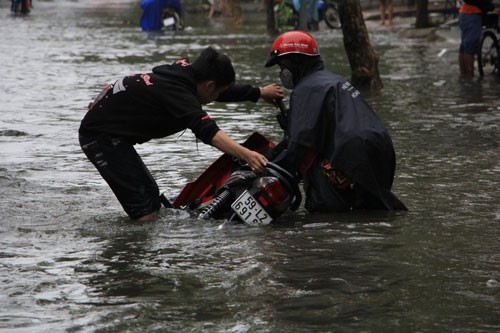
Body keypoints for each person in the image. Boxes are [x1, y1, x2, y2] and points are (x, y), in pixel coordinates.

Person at [79, 47, 284, 221]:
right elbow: (208, 130)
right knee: (146, 206)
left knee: (149, 194)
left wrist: (258, 92)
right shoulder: (177, 91)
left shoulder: (189, 77)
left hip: (111, 132)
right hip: (100, 136)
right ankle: (136, 253)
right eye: (217, 92)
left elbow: (219, 92)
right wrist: (246, 154)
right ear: (210, 85)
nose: (217, 97)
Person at [264, 31, 407, 213]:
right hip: (381, 148)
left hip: (349, 154)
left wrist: (270, 168)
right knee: (372, 209)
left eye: (281, 66)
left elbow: (300, 143)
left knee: (325, 210)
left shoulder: (306, 89)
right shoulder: (333, 80)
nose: (281, 73)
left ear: (295, 62)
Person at [458, 0, 495, 77]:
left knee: (464, 47)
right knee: (469, 47)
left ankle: (464, 75)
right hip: (473, 13)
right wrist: (491, 7)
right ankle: (469, 77)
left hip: (463, 12)